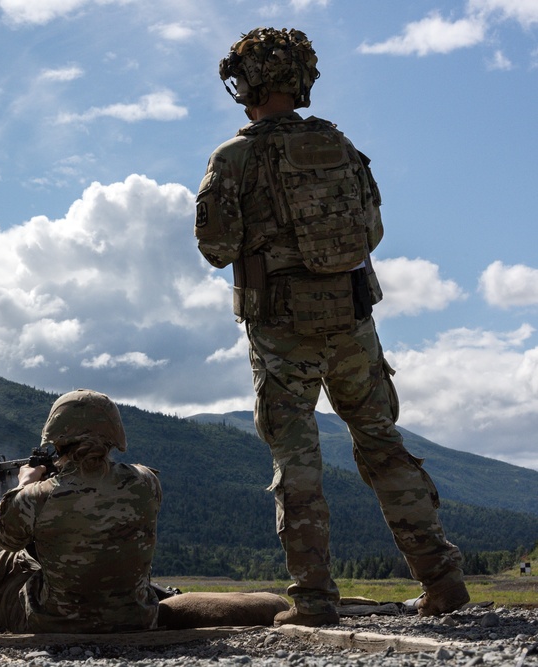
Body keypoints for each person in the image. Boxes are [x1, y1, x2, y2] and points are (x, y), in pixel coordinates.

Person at [193, 27, 468, 627]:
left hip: (281, 327)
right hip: (352, 319)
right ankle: (442, 580)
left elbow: (216, 248)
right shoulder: (343, 149)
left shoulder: (234, 157)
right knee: (382, 446)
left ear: (251, 83)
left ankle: (314, 599)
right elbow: (371, 232)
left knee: (297, 460)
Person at [0, 389, 162, 633]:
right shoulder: (146, 481)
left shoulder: (37, 496)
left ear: (56, 437)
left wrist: (23, 485)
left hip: (52, 624)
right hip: (139, 619)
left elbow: (6, 539)